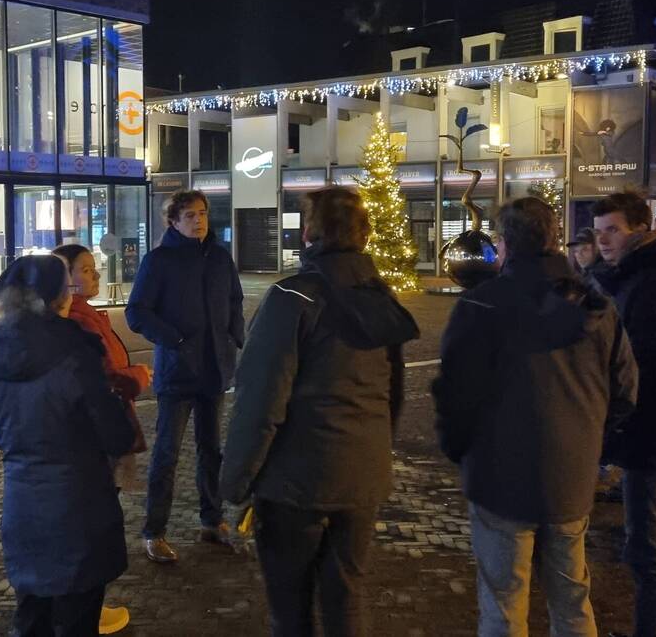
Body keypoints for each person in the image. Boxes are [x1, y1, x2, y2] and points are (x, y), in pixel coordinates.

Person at [433, 197, 638, 637]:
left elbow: (455, 392)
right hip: (571, 476)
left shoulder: (481, 305)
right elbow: (625, 390)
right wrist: (587, 439)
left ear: (505, 245)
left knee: (504, 602)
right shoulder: (595, 307)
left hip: (498, 476)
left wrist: (458, 448)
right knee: (571, 601)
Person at [220, 187, 418, 637]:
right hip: (360, 478)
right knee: (347, 596)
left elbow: (259, 400)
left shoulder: (292, 298)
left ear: (308, 233)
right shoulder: (380, 297)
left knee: (290, 607)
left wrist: (235, 481)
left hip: (295, 481)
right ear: (363, 236)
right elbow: (395, 392)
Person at [0, 255, 135, 637]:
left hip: (22, 503)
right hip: (79, 504)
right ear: (58, 298)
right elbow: (116, 434)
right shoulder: (75, 353)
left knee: (32, 614)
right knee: (79, 617)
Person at [591, 192, 656, 637]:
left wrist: (621, 419)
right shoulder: (643, 275)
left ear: (640, 228)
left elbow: (650, 368)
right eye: (597, 234)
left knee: (644, 548)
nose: (603, 241)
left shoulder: (648, 283)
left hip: (652, 433)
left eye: (612, 230)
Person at [126, 189, 245, 563]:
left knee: (212, 451)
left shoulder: (220, 259)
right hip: (177, 373)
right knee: (167, 454)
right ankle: (154, 530)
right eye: (190, 215)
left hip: (214, 370)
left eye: (203, 214)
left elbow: (235, 301)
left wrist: (233, 338)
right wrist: (174, 339)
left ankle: (212, 520)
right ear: (173, 221)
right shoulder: (158, 261)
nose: (199, 221)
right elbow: (137, 311)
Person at [53, 244, 152, 634]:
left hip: (94, 437)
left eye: (95, 269)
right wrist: (137, 377)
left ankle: (89, 608)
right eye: (87, 270)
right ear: (66, 280)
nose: (95, 276)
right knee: (92, 528)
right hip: (94, 441)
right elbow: (102, 380)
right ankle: (84, 613)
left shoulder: (88, 316)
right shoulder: (79, 324)